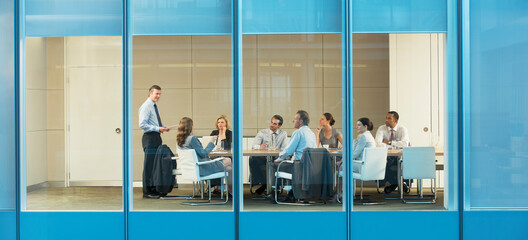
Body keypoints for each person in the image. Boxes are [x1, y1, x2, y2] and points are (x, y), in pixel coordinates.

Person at [176, 117, 232, 193]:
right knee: (228, 160)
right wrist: (212, 142)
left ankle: (220, 188)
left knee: (229, 168)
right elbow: (203, 154)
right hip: (203, 168)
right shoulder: (192, 139)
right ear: (190, 126)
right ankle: (232, 191)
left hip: (193, 168)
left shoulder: (179, 140)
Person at [271, 110, 317, 202]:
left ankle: (274, 193)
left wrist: (279, 158)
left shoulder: (298, 133)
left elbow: (288, 151)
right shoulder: (311, 133)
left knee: (272, 165)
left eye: (295, 119)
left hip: (298, 167)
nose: (293, 121)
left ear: (300, 121)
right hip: (309, 167)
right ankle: (292, 192)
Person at [139, 85, 170, 199]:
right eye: (156, 93)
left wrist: (162, 127)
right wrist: (158, 128)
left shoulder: (154, 106)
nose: (158, 96)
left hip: (156, 137)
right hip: (150, 138)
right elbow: (142, 124)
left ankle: (153, 189)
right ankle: (147, 191)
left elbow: (153, 123)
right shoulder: (146, 106)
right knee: (149, 165)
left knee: (154, 165)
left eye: (159, 94)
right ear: (150, 93)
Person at [249, 115, 288, 195]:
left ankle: (266, 185)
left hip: (276, 157)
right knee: (254, 159)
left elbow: (284, 148)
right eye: (271, 122)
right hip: (263, 157)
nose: (271, 125)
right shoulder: (262, 133)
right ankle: (267, 184)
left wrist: (276, 151)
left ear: (279, 126)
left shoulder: (283, 134)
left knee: (274, 163)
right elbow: (253, 146)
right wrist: (260, 146)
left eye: (274, 124)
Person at [375, 111, 410, 193]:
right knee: (385, 164)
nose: (386, 120)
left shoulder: (402, 129)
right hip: (387, 156)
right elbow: (377, 144)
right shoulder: (381, 128)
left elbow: (405, 144)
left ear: (396, 120)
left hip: (401, 156)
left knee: (404, 164)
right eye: (386, 118)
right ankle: (399, 183)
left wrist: (389, 143)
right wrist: (396, 145)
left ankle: (394, 185)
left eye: (389, 118)